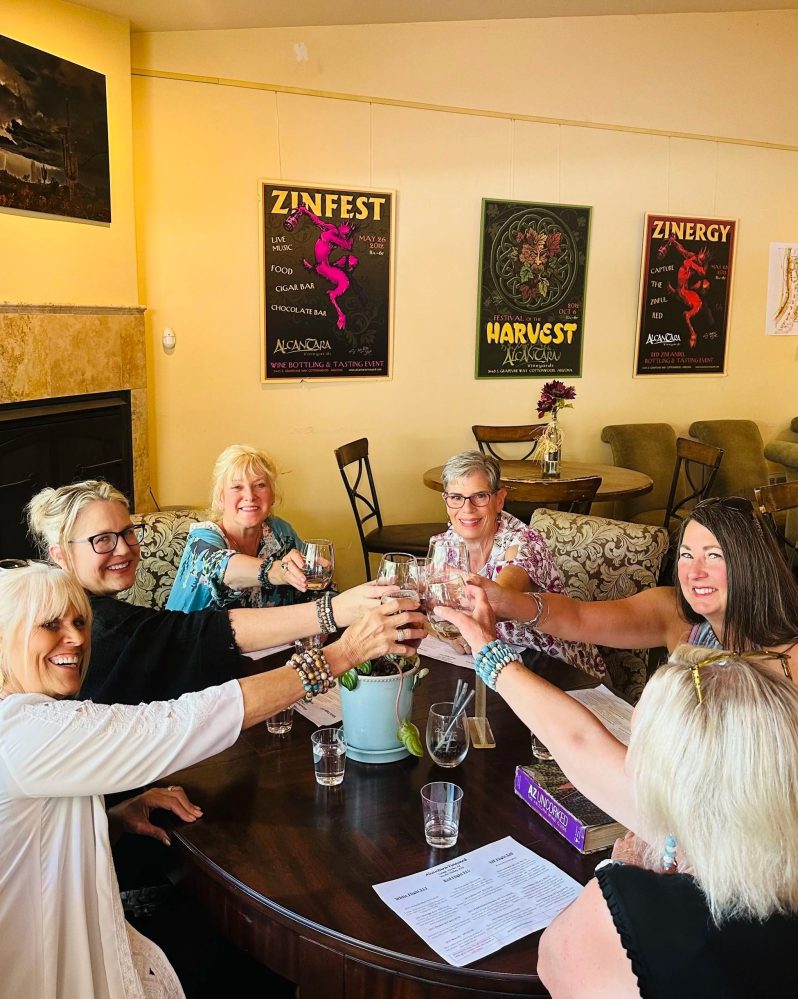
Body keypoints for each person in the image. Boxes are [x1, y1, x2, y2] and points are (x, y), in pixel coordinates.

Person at [0, 561, 407, 998]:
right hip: (44, 973)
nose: (78, 638)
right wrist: (340, 655)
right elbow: (178, 724)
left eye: (80, 621)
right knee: (256, 960)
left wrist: (114, 819)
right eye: (50, 624)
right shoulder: (26, 731)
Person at [438, 589, 798, 997]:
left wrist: (621, 873)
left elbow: (554, 964)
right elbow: (581, 743)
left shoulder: (634, 910)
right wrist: (490, 652)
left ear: (673, 775)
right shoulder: (761, 815)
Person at [27, 480, 425, 705]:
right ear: (60, 555)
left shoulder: (279, 530)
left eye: (128, 532)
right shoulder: (96, 626)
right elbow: (200, 630)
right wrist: (336, 613)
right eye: (101, 540)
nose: (124, 548)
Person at [472, 495, 798, 682]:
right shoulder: (675, 614)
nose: (695, 572)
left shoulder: (788, 660)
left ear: (749, 563)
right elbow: (579, 619)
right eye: (686, 555)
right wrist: (505, 601)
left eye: (713, 556)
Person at [430, 450, 605, 677]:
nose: (467, 509)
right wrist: (447, 634)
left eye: (480, 496)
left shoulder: (523, 542)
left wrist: (454, 624)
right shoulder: (444, 545)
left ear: (499, 500)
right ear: (446, 501)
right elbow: (430, 611)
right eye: (456, 497)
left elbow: (501, 596)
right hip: (495, 663)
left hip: (557, 666)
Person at [166, 444, 307, 613]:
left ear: (273, 495)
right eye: (237, 487)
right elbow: (222, 568)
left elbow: (314, 587)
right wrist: (281, 572)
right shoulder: (202, 539)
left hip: (266, 638)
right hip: (193, 638)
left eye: (260, 485)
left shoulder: (281, 532)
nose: (250, 496)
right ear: (220, 497)